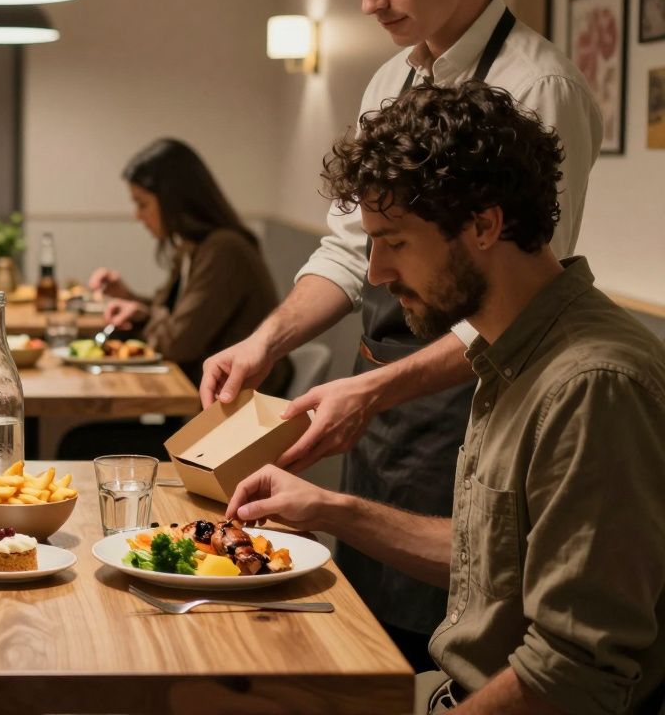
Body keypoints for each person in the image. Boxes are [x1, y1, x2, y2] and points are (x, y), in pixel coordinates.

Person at [198, 0, 601, 670]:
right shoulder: (391, 78)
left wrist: (379, 391)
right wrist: (265, 342)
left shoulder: (539, 85)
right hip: (376, 395)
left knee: (442, 633)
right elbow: (354, 250)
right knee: (359, 619)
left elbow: (523, 299)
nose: (367, 1)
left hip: (463, 405)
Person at [227, 82, 665, 714]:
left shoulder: (593, 383)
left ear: (485, 224)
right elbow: (493, 562)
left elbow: (573, 675)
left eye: (394, 241)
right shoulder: (511, 351)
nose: (375, 273)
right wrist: (330, 508)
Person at [90, 138, 292, 392]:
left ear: (174, 199)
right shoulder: (193, 246)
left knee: (86, 433)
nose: (137, 215)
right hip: (211, 397)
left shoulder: (223, 250)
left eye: (142, 204)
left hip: (236, 408)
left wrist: (151, 315)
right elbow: (173, 314)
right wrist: (131, 300)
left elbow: (177, 342)